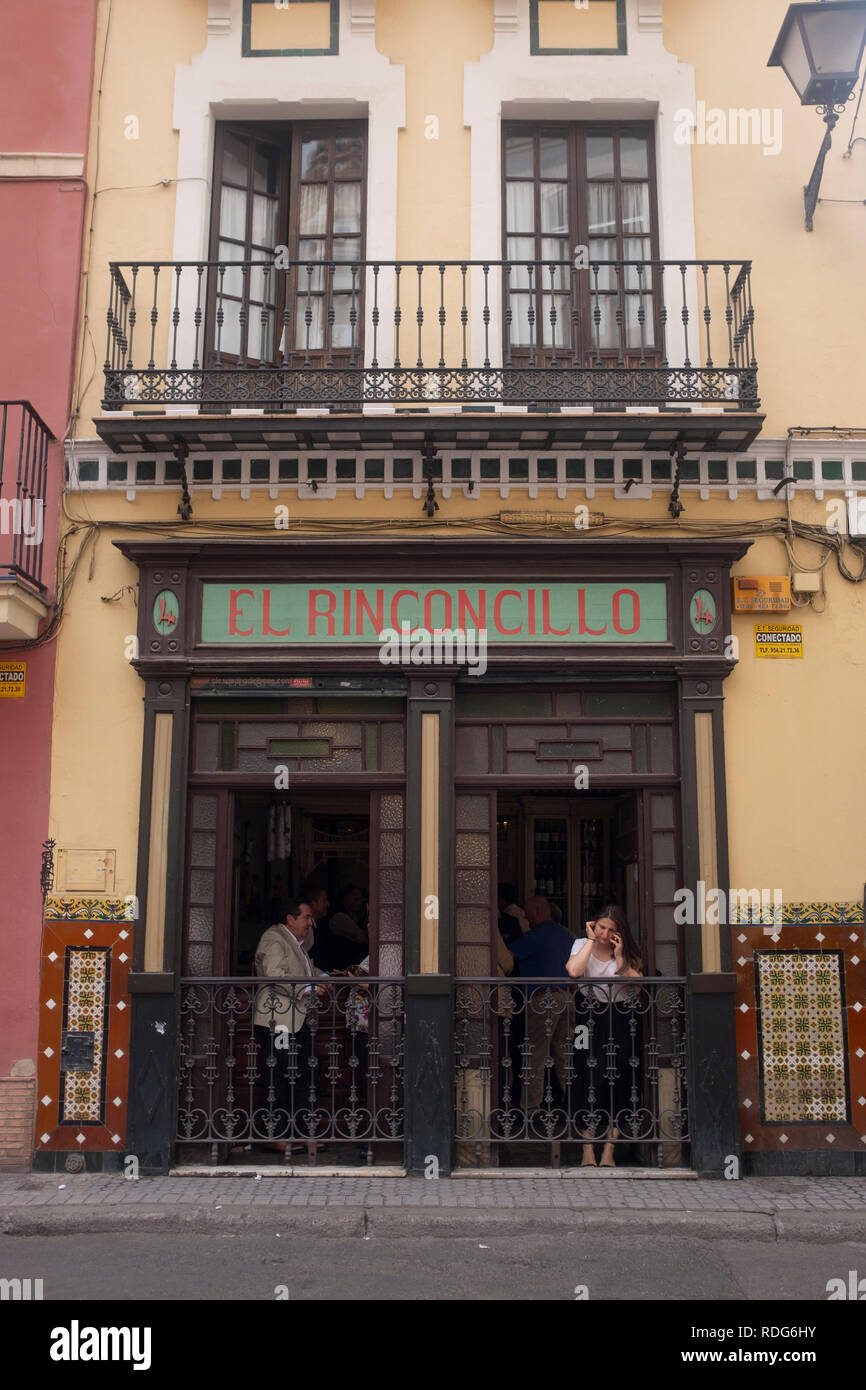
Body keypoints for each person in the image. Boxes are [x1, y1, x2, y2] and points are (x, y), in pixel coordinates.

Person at [566, 905, 643, 1168]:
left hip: (621, 1018)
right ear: (593, 925)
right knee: (584, 1076)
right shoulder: (580, 944)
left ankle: (609, 1150)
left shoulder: (628, 952)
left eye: (611, 930)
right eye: (601, 927)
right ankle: (587, 1150)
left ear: (619, 933)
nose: (605, 934)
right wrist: (589, 941)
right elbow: (574, 971)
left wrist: (620, 958)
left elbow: (638, 986)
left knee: (619, 1079)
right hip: (586, 1018)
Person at [252, 898, 330, 1154]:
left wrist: (325, 977)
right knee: (279, 1075)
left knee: (301, 1075)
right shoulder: (275, 938)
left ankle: (297, 1132)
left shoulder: (295, 943)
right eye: (307, 917)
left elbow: (304, 970)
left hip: (295, 1020)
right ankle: (273, 1135)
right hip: (278, 1022)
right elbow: (276, 975)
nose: (311, 923)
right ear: (290, 918)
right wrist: (309, 987)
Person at [505, 895, 574, 1114]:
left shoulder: (535, 936)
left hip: (544, 998)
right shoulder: (566, 936)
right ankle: (573, 1103)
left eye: (527, 914)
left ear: (536, 912)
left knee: (534, 1054)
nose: (525, 917)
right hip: (567, 996)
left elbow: (506, 958)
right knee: (565, 1054)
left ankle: (530, 1108)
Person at [327, 884, 369, 970]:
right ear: (345, 899)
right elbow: (362, 939)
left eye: (360, 900)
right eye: (356, 899)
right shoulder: (340, 916)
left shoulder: (353, 914)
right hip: (341, 965)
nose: (360, 903)